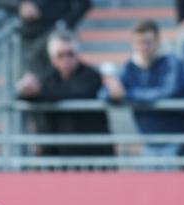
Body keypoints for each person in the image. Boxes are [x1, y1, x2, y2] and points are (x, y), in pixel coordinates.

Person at [16, 30, 114, 158]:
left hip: (91, 156)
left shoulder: (91, 76)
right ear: (51, 58)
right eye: (60, 55)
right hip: (56, 158)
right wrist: (25, 90)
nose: (66, 59)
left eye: (70, 54)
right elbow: (24, 98)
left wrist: (39, 93)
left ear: (78, 54)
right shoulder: (46, 78)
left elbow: (78, 93)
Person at [101, 20, 184, 158]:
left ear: (158, 41)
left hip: (176, 141)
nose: (143, 47)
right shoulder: (130, 66)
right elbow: (105, 94)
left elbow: (169, 92)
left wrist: (128, 95)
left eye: (148, 41)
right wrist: (113, 89)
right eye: (139, 42)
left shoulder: (171, 62)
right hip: (148, 143)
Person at [0, 0, 92, 78]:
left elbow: (84, 4)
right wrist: (20, 6)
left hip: (56, 37)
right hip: (27, 39)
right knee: (28, 81)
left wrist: (62, 24)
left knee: (60, 78)